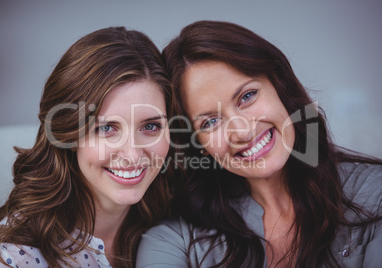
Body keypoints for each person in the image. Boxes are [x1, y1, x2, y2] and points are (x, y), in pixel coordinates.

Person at [136, 20, 382, 268]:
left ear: (280, 87)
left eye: (247, 96)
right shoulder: (174, 240)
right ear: (196, 142)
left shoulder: (375, 192)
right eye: (210, 122)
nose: (242, 131)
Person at [0, 26, 174, 268]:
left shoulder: (178, 222)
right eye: (105, 128)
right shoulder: (17, 258)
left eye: (151, 126)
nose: (132, 155)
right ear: (69, 137)